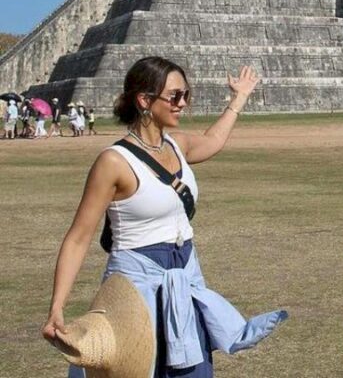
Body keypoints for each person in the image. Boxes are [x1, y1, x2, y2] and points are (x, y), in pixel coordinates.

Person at [42, 56, 287, 377]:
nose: (183, 103)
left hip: (184, 279)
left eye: (186, 95)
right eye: (174, 96)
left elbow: (213, 141)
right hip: (137, 289)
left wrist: (239, 98)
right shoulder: (114, 162)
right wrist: (57, 306)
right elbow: (79, 237)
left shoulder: (177, 144)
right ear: (144, 100)